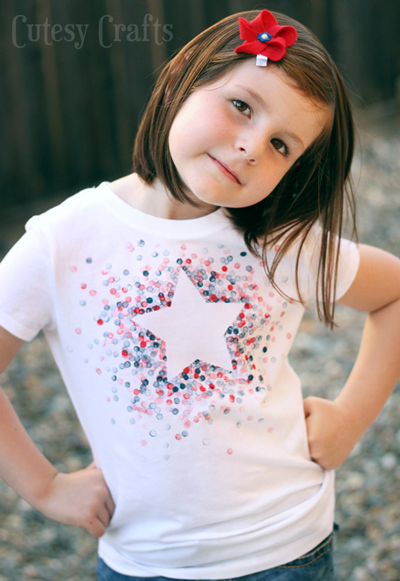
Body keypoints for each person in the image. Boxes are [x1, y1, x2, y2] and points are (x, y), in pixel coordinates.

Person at [0, 8, 399, 581]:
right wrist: (44, 486)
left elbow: (393, 294)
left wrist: (351, 418)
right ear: (184, 75)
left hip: (289, 549)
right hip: (146, 562)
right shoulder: (64, 240)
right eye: (241, 106)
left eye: (282, 145)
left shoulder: (279, 245)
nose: (250, 147)